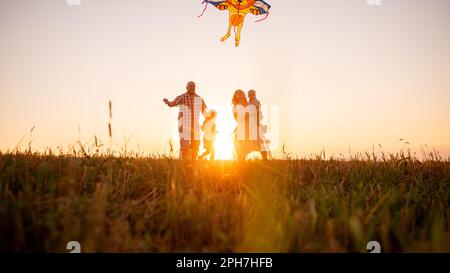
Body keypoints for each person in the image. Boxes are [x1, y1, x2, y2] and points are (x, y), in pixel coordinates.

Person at [163, 81, 208, 160]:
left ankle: (194, 161)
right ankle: (185, 163)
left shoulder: (199, 99)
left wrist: (210, 118)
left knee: (196, 145)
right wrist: (168, 102)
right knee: (185, 146)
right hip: (184, 125)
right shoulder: (182, 97)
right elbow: (173, 103)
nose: (192, 88)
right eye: (190, 86)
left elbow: (204, 111)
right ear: (186, 88)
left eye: (193, 86)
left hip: (195, 125)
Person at [248, 90, 269, 160]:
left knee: (259, 140)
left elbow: (258, 113)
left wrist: (256, 123)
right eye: (249, 95)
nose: (250, 96)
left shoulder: (256, 102)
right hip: (251, 122)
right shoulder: (249, 102)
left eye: (251, 95)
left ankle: (265, 158)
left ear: (254, 95)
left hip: (255, 122)